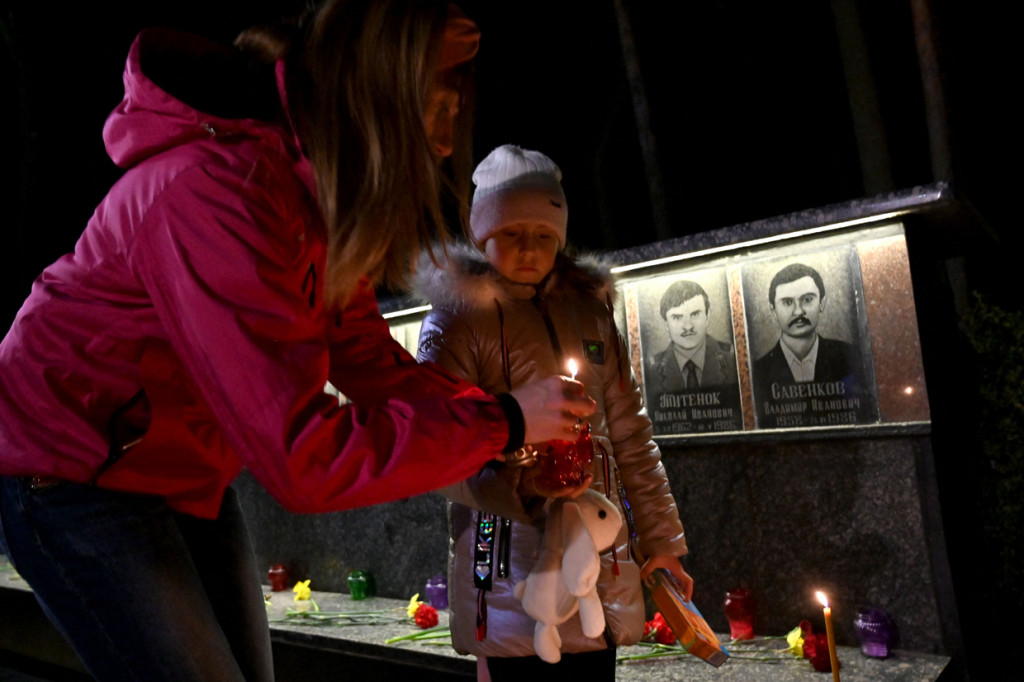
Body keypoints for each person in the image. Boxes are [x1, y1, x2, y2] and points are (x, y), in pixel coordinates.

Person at [0, 4, 594, 681]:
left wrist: (505, 428)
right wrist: (506, 418)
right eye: (434, 110)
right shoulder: (218, 191)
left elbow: (369, 361)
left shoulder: (307, 193)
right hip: (70, 471)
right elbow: (303, 460)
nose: (443, 146)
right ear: (376, 98)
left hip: (181, 469)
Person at [415, 145, 691, 681]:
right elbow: (435, 447)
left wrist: (664, 544)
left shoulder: (589, 313)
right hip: (506, 571)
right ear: (481, 235)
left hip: (598, 567)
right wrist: (516, 473)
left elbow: (631, 435)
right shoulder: (457, 321)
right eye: (511, 233)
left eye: (544, 235)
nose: (528, 249)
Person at [752, 262, 862, 391]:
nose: (798, 311)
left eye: (807, 300)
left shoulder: (851, 357)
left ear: (821, 303)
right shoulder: (757, 371)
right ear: (773, 310)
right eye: (787, 302)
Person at [646, 279, 738, 394]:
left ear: (707, 315)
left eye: (695, 314)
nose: (688, 326)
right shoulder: (651, 372)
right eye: (677, 317)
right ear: (666, 323)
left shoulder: (734, 360)